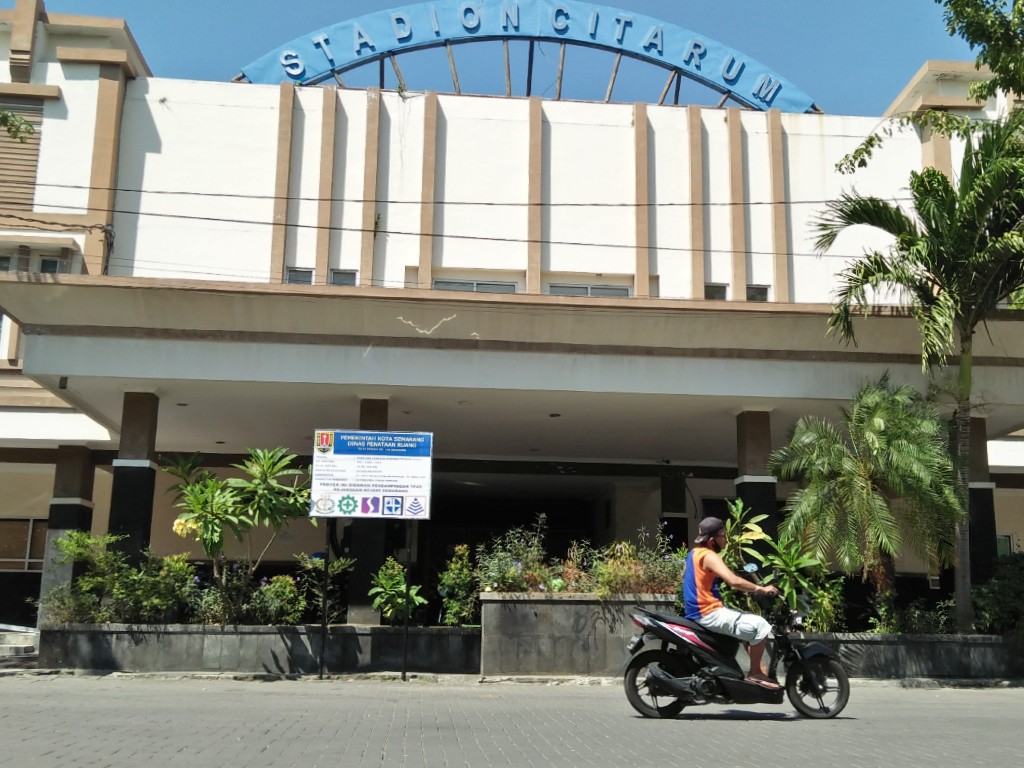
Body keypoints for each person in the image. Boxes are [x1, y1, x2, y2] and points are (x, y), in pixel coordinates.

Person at [682, 516, 781, 688]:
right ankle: (755, 673)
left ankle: (759, 668)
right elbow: (733, 581)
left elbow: (684, 575)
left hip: (697, 612)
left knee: (743, 626)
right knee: (760, 626)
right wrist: (761, 589)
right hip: (708, 613)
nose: (725, 539)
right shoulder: (709, 556)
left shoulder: (693, 554)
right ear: (712, 539)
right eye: (722, 535)